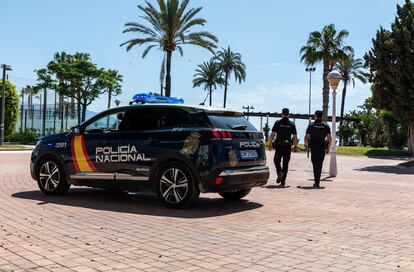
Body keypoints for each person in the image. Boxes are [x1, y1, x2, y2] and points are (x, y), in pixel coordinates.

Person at [267, 108, 298, 186]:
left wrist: (269, 143)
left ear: (282, 114)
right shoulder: (292, 124)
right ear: (288, 114)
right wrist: (295, 146)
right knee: (285, 163)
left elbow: (272, 134)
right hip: (287, 145)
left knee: (276, 161)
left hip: (279, 145)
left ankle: (280, 172)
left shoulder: (278, 122)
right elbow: (295, 136)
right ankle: (283, 182)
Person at [304, 110, 332, 188]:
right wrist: (328, 147)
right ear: (322, 116)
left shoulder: (311, 125)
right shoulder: (325, 125)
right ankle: (317, 182)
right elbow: (329, 138)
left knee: (315, 164)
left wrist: (306, 145)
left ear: (315, 115)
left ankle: (316, 182)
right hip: (322, 146)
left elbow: (307, 136)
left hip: (314, 146)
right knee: (320, 164)